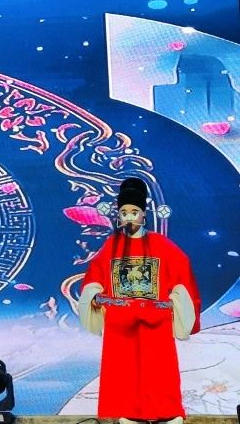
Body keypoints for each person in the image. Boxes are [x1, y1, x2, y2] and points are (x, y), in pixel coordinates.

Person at [78, 177, 200, 424]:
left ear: (144, 215)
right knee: (124, 370)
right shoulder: (112, 246)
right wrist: (97, 297)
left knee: (160, 368)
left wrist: (171, 303)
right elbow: (94, 279)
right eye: (124, 213)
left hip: (155, 321)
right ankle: (130, 413)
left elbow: (182, 272)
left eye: (134, 212)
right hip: (121, 324)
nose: (129, 218)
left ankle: (166, 412)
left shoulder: (160, 244)